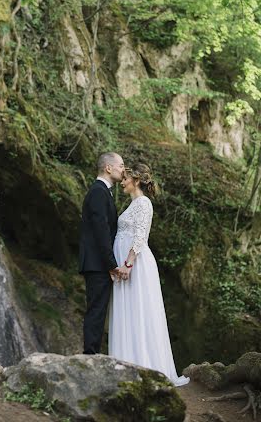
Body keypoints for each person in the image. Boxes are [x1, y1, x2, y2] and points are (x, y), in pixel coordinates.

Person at [108, 162, 190, 387]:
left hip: (136, 266)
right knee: (129, 311)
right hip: (127, 264)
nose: (122, 182)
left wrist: (128, 264)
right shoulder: (133, 204)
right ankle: (128, 363)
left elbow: (141, 237)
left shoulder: (143, 203)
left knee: (140, 311)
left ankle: (147, 366)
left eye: (125, 178)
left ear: (135, 180)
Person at [79, 152, 127, 355]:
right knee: (96, 311)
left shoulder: (102, 191)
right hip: (97, 264)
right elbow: (101, 231)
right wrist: (111, 263)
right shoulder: (98, 192)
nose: (124, 170)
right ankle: (90, 356)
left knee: (98, 310)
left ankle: (92, 354)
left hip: (97, 263)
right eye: (121, 165)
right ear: (108, 168)